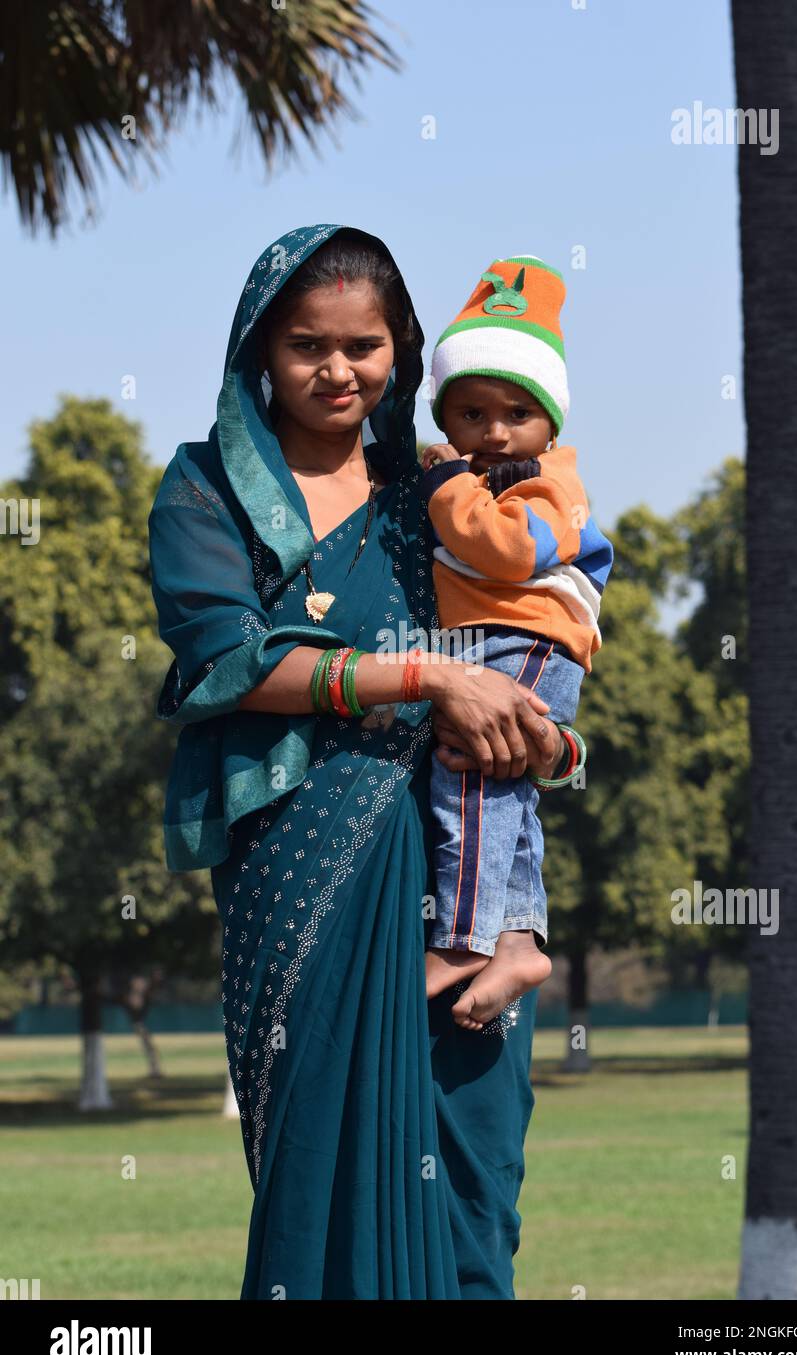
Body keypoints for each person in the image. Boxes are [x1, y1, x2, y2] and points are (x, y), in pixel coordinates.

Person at [147, 224, 569, 1300]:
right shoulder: (206, 488)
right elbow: (226, 657)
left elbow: (530, 629)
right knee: (317, 1169)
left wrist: (550, 737)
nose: (337, 370)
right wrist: (423, 677)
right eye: (307, 346)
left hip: (458, 881)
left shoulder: (435, 493)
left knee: (472, 1176)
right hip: (299, 876)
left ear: (401, 352)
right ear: (261, 349)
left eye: (363, 346)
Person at [418, 255, 614, 1030]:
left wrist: (446, 487)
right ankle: (519, 941)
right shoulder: (488, 474)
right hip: (509, 639)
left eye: (517, 412)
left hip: (525, 636)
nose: (495, 431)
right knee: (509, 793)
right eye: (471, 414)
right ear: (445, 419)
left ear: (551, 420)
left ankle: (461, 939)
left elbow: (507, 551)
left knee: (469, 772)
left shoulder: (548, 483)